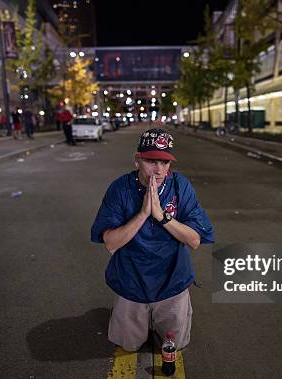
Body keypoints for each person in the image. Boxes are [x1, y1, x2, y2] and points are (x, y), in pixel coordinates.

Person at [91, 128, 214, 352]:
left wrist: (162, 216)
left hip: (172, 281)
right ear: (137, 159)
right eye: (151, 161)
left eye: (165, 163)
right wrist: (143, 214)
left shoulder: (179, 186)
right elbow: (111, 242)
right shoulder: (121, 188)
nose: (159, 170)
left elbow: (195, 240)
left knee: (173, 347)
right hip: (131, 281)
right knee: (129, 346)